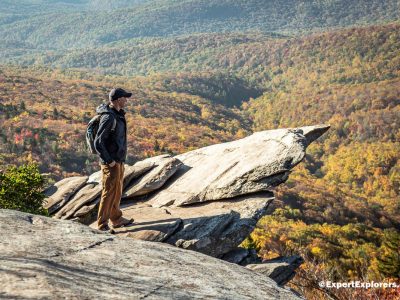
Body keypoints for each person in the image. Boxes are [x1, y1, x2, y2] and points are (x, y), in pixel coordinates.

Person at [94, 88, 134, 233]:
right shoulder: (108, 117)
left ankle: (116, 219)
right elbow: (98, 142)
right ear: (117, 100)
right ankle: (102, 225)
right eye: (125, 97)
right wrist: (109, 161)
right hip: (110, 162)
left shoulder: (118, 114)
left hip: (118, 160)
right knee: (109, 192)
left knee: (117, 191)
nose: (126, 100)